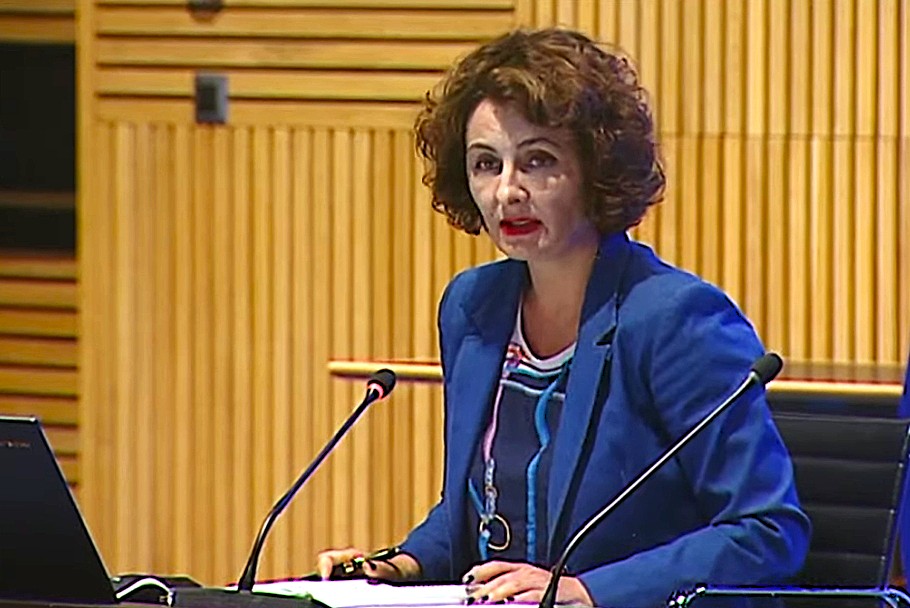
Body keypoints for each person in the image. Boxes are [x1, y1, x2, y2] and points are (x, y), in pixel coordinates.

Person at [317, 27, 810, 608]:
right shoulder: (473, 307)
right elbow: (480, 509)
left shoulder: (673, 319)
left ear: (596, 169)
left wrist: (588, 592)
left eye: (538, 161)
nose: (506, 192)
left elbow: (768, 532)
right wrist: (401, 564)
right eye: (486, 164)